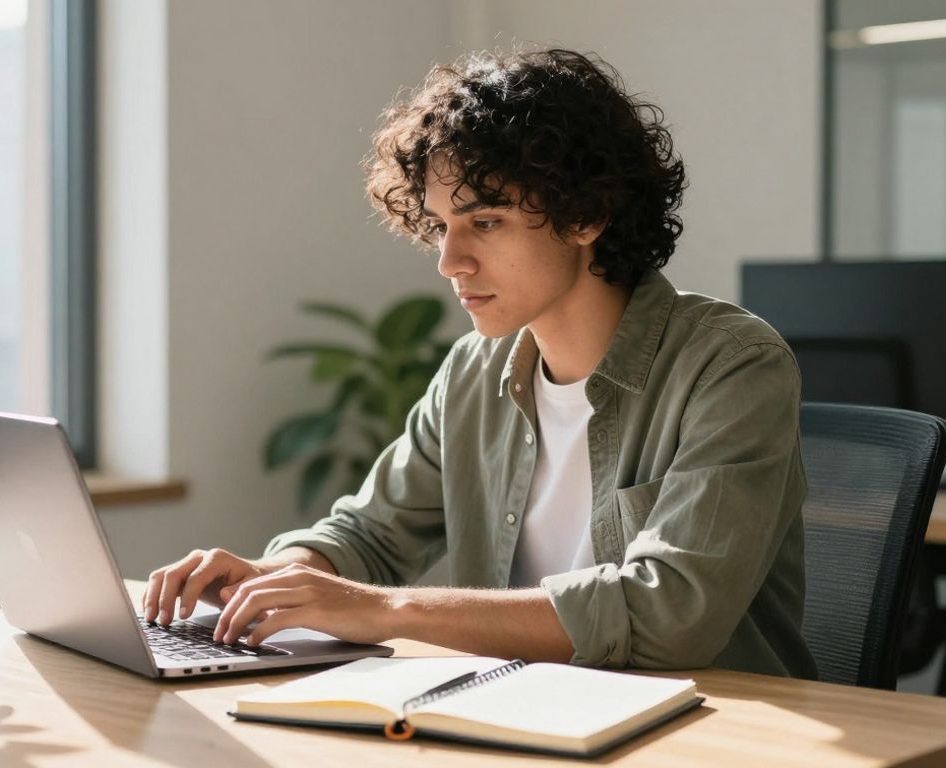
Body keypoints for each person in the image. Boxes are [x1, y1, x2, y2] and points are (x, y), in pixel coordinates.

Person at [143, 47, 817, 677]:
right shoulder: (473, 371)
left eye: (485, 222)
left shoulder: (731, 365)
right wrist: (276, 576)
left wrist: (382, 609)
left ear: (586, 214)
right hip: (522, 715)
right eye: (439, 226)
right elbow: (370, 534)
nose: (449, 261)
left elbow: (671, 611)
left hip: (706, 731)